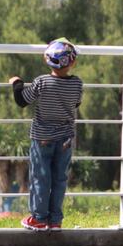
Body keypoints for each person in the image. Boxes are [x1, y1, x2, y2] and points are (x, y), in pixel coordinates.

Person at [9, 38, 83, 232]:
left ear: (46, 59)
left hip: (42, 137)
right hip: (66, 138)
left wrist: (17, 82)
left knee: (40, 177)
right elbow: (75, 104)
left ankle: (39, 218)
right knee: (59, 178)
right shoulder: (77, 84)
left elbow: (22, 100)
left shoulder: (42, 81)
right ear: (73, 62)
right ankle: (55, 220)